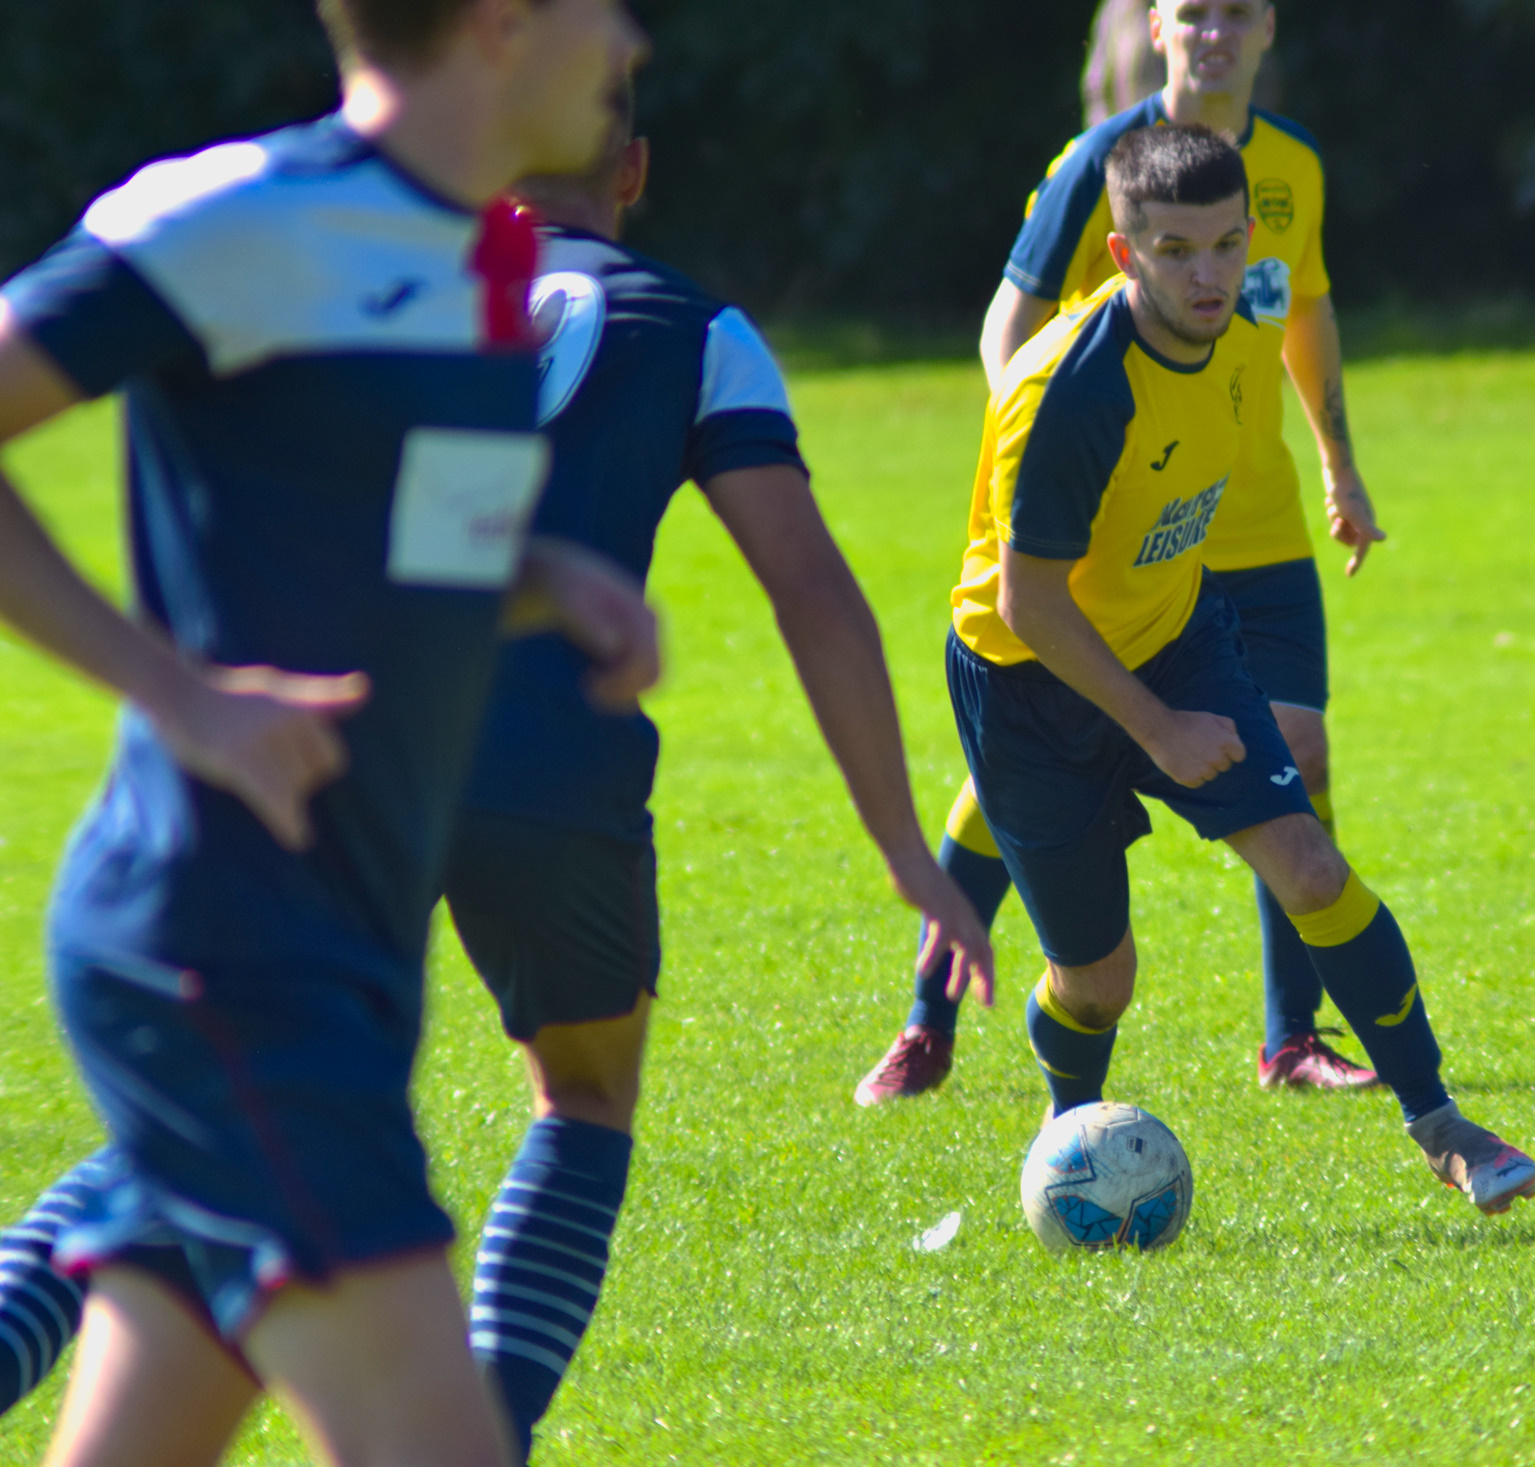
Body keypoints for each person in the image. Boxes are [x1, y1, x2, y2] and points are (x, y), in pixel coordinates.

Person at [0, 81, 996, 1462]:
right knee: (574, 1096)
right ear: (633, 166)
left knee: (225, 1112)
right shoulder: (690, 324)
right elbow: (810, 584)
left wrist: (525, 576)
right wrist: (899, 840)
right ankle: (494, 1424)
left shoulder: (405, 274)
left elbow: (391, 532)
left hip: (327, 757)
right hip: (551, 772)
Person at [0, 1, 655, 1462]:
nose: (630, 45)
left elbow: (409, 549)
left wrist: (553, 580)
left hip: (343, 952)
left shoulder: (488, 260)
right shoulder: (248, 215)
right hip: (228, 945)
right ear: (503, 24)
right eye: (602, 10)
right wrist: (177, 689)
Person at [933, 124, 1535, 1217]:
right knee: (1098, 982)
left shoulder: (1247, 324)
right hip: (1031, 682)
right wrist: (1159, 728)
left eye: (1223, 245)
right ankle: (1068, 1140)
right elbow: (1030, 604)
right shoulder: (1071, 392)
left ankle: (1440, 1122)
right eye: (1173, 250)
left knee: (1307, 863)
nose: (1206, 274)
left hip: (1175, 638)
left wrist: (1335, 480)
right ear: (1124, 256)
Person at [858, 0, 1383, 1104]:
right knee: (1001, 793)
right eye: (1195, 13)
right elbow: (1012, 322)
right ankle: (927, 1020)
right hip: (1122, 544)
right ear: (1154, 27)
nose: (1216, 34)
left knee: (1301, 756)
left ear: (1269, 28)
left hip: (1254, 528)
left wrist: (1340, 464)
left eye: (1238, 14)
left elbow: (1306, 314)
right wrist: (1047, 468)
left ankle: (1292, 1038)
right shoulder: (1100, 162)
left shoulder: (1294, 168)